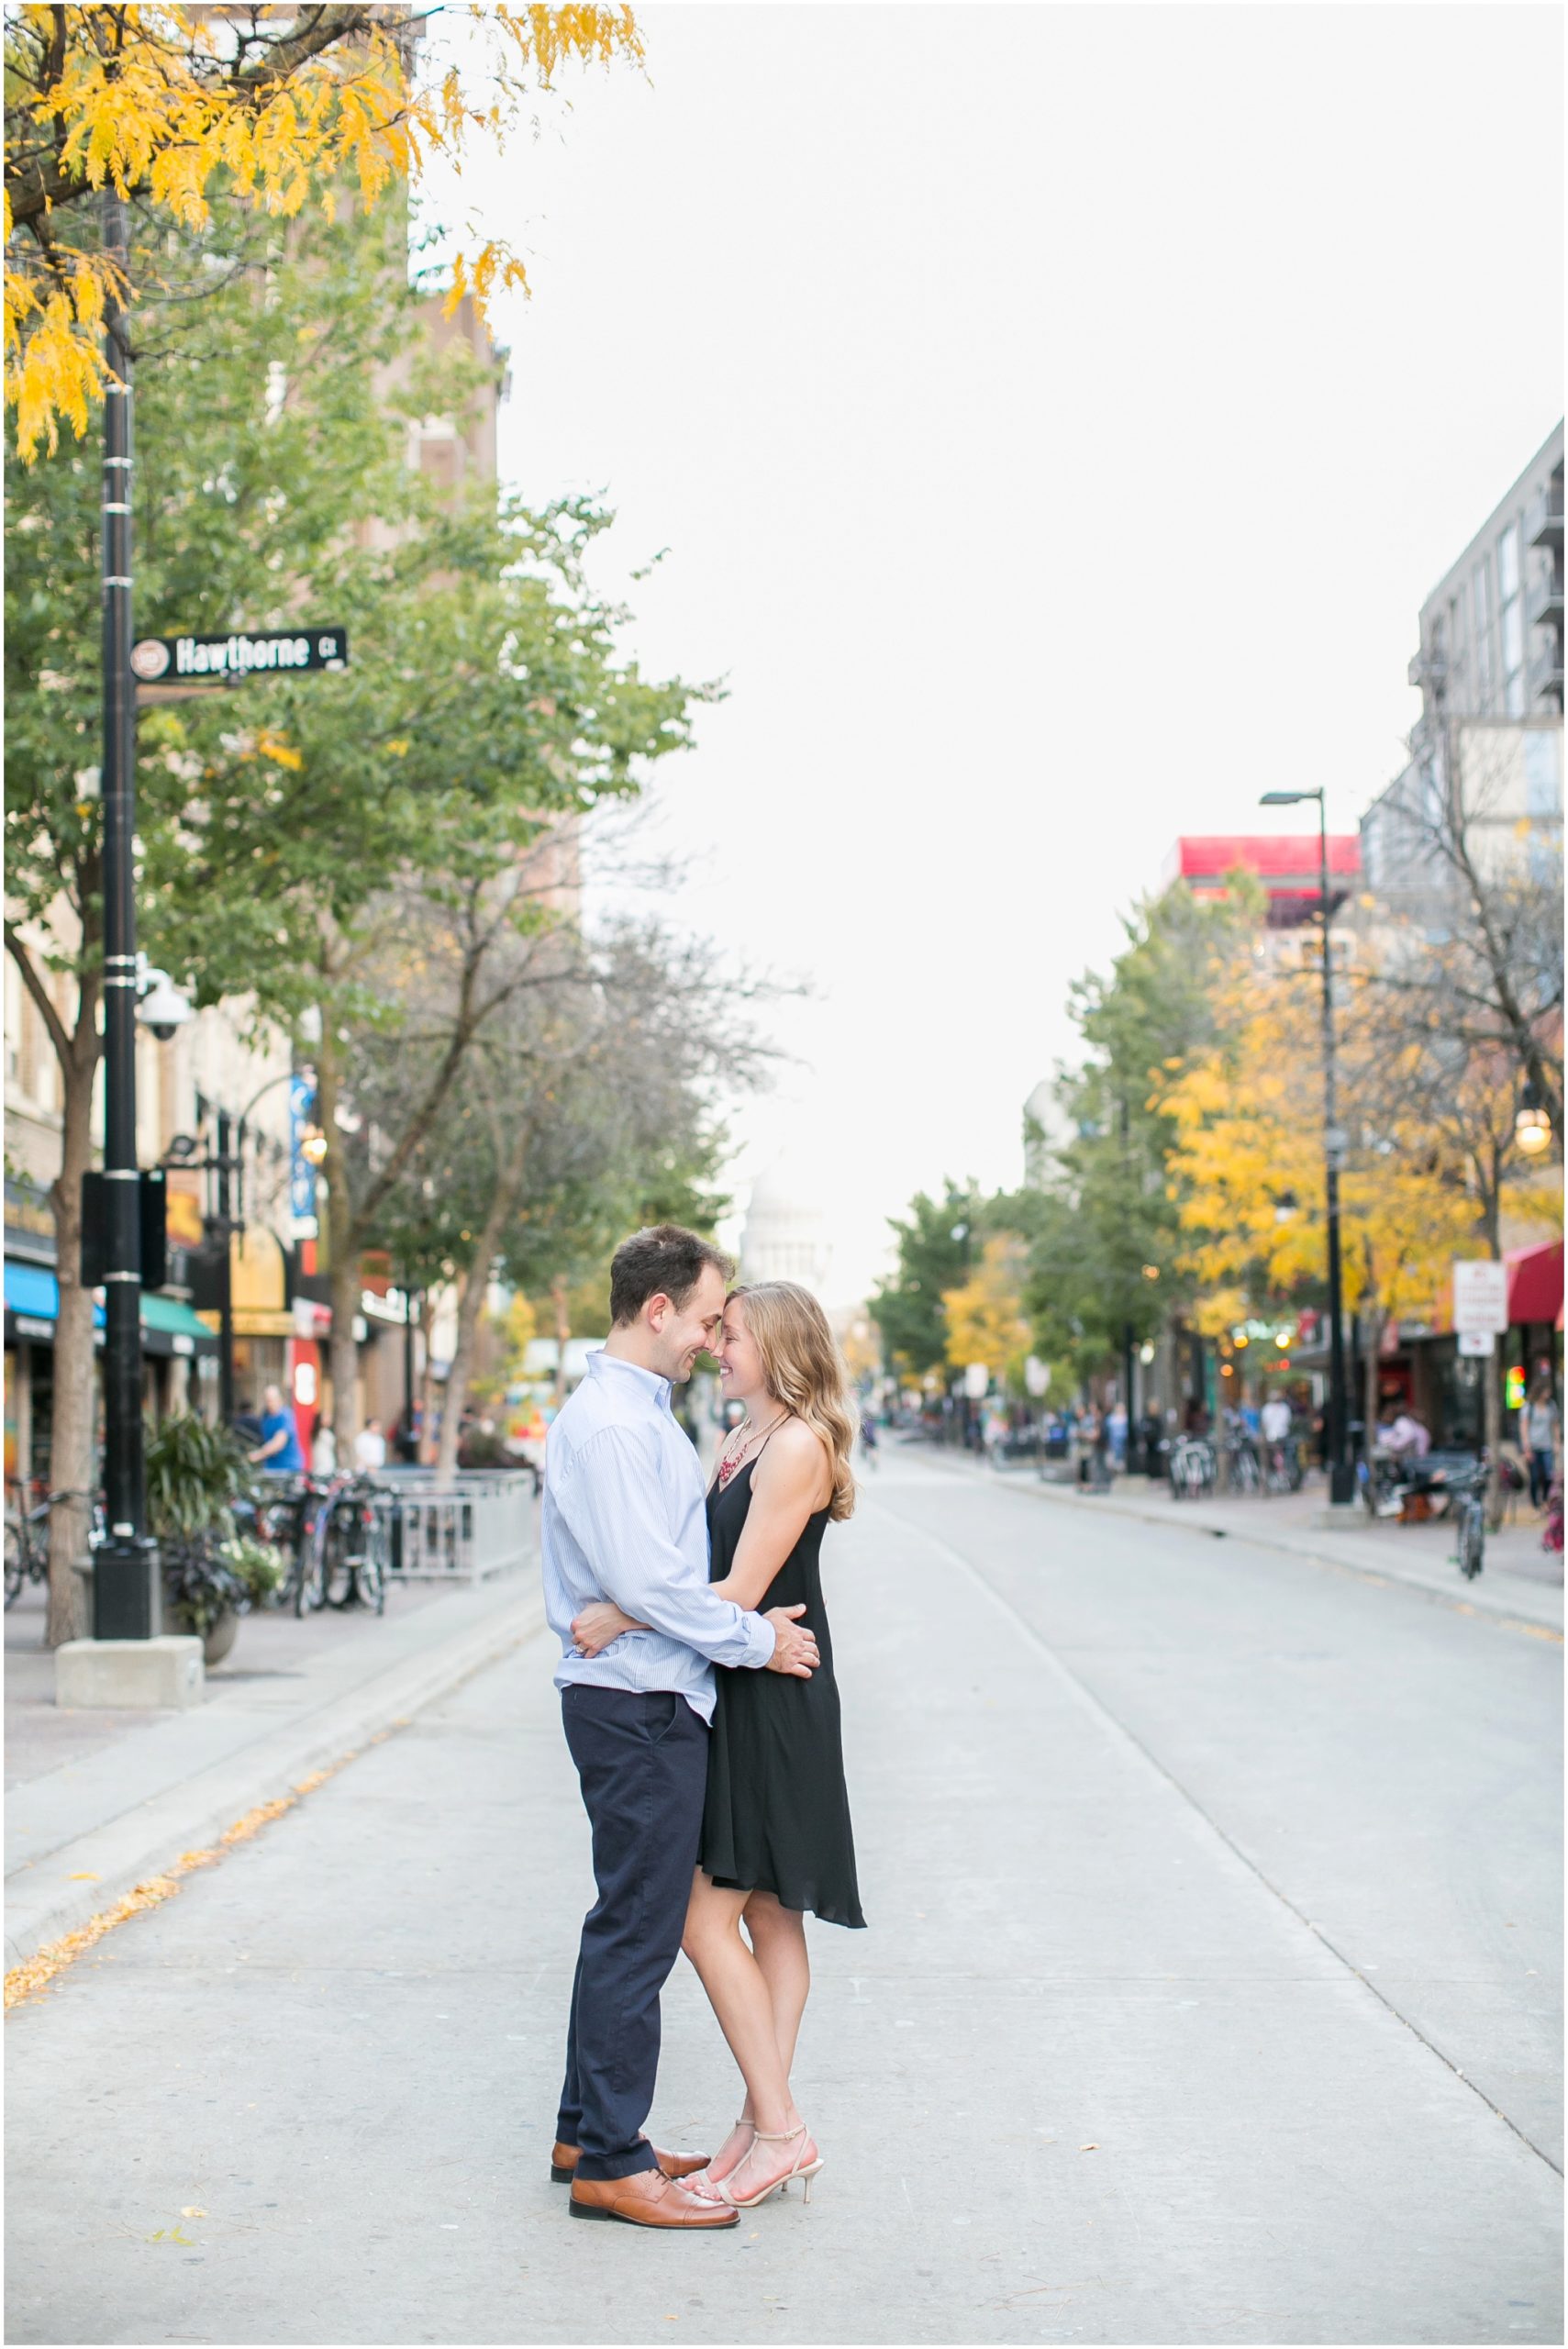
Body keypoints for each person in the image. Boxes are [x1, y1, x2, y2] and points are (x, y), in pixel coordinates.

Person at [540, 1228, 820, 2232]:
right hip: (640, 1701)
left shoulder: (642, 1417)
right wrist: (749, 1637)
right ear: (656, 1309)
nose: (711, 1339)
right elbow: (650, 1580)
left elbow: (647, 1580)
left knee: (625, 1916)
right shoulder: (616, 1427)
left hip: (642, 1691)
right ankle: (612, 2161)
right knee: (640, 1926)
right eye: (707, 1318)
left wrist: (679, 1620)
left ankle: (587, 2130)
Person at [248, 1384, 304, 1475]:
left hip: (288, 1467)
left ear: (279, 1399)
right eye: (267, 1400)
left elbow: (278, 1443)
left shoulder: (285, 1416)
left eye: (272, 1400)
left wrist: (257, 1455)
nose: (270, 1404)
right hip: (271, 1467)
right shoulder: (265, 1416)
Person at [1522, 1377, 1561, 1510]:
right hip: (1533, 1446)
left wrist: (1557, 1442)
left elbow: (1555, 1425)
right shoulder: (1529, 1406)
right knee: (1534, 1477)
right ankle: (1535, 1503)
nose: (1548, 1393)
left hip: (1547, 1446)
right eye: (1546, 1390)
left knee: (1549, 1475)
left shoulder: (1551, 1406)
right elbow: (1524, 1427)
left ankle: (1545, 1500)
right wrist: (1526, 1447)